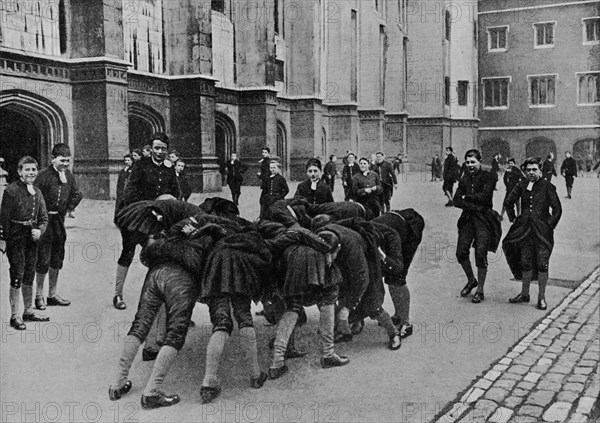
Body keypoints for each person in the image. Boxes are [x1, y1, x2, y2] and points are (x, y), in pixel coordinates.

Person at [108, 235, 201, 409]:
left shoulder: (183, 224)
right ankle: (152, 391)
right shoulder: (216, 231)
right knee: (176, 334)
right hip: (181, 278)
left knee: (140, 324)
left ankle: (117, 383)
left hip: (155, 272)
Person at [265, 226, 349, 379]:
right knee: (329, 301)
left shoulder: (297, 243)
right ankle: (328, 354)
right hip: (311, 263)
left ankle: (276, 362)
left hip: (290, 264)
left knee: (292, 308)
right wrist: (328, 251)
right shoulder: (324, 251)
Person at [113, 133, 180, 311]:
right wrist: (150, 207)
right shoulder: (140, 165)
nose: (159, 152)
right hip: (136, 216)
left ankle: (160, 297)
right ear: (151, 149)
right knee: (128, 252)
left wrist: (167, 206)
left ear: (167, 150)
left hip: (158, 219)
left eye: (163, 149)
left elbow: (176, 193)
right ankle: (118, 293)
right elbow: (130, 193)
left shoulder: (169, 168)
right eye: (156, 148)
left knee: (158, 255)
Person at [504, 157, 562, 310]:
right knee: (526, 261)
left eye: (534, 169)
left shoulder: (548, 186)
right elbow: (508, 202)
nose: (531, 172)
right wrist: (513, 219)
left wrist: (548, 225)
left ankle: (541, 298)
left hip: (542, 233)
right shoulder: (522, 185)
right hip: (524, 231)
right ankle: (524, 294)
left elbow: (557, 209)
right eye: (528, 170)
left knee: (542, 263)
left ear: (540, 170)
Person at [0, 156, 49, 330]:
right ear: (20, 171)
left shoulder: (38, 191)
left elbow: (44, 218)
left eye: (33, 170)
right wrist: (4, 241)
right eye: (27, 169)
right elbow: (3, 219)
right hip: (16, 237)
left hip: (32, 238)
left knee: (30, 272)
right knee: (17, 273)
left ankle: (28, 311)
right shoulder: (11, 191)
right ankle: (15, 316)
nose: (31, 173)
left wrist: (40, 230)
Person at [34, 143, 83, 309]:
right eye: (62, 160)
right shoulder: (42, 176)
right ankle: (39, 296)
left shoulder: (68, 175)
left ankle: (52, 295)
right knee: (43, 259)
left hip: (58, 222)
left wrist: (67, 209)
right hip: (44, 222)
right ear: (52, 158)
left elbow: (77, 194)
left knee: (57, 258)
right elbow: (34, 198)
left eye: (68, 161)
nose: (65, 164)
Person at [453, 149, 502, 304]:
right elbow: (456, 200)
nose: (470, 165)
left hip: (484, 219)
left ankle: (480, 290)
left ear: (480, 161)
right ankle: (471, 280)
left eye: (473, 162)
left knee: (480, 253)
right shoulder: (464, 178)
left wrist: (466, 197)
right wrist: (472, 203)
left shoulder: (489, 176)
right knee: (461, 252)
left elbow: (486, 196)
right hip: (468, 218)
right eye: (467, 162)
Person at [371, 209, 425, 338]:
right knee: (389, 276)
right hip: (393, 223)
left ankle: (405, 322)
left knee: (397, 277)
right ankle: (397, 315)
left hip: (410, 228)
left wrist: (384, 258)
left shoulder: (387, 238)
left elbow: (394, 265)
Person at [114, 154, 133, 224]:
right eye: (125, 160)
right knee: (119, 205)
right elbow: (119, 182)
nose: (127, 162)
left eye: (128, 160)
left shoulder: (132, 170)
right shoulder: (122, 171)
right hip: (121, 190)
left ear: (132, 161)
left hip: (127, 190)